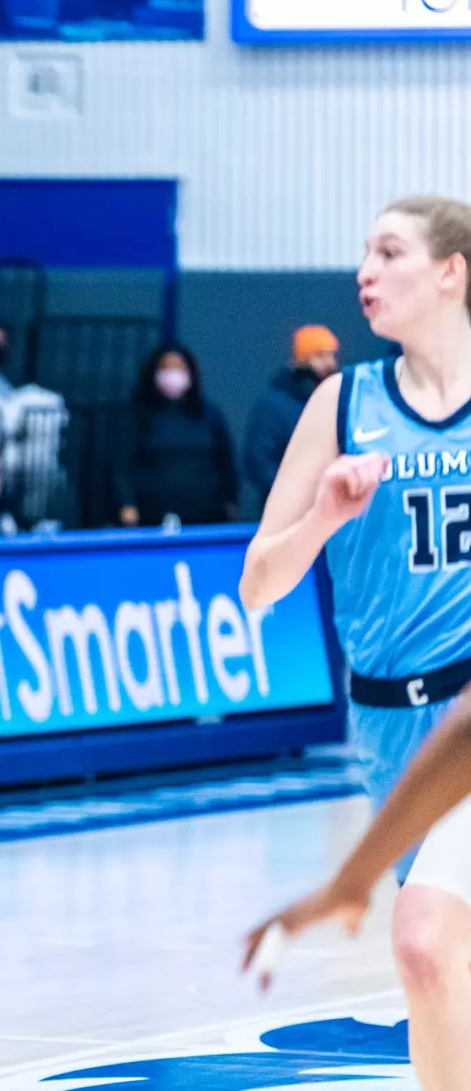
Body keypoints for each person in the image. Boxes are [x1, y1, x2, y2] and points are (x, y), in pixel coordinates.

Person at [236, 196, 471, 1091]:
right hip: (384, 726)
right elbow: (259, 585)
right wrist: (324, 519)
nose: (363, 272)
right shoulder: (345, 403)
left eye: (389, 251)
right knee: (439, 969)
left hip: (468, 712)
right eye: (362, 254)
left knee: (422, 941)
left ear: (452, 272)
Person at [116, 343, 239, 528]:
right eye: (166, 367)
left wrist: (230, 500)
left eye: (180, 368)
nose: (173, 374)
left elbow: (226, 462)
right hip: (151, 518)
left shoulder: (210, 416)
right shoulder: (136, 417)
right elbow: (122, 465)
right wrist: (127, 504)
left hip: (206, 517)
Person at [243, 324, 341, 504]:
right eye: (320, 355)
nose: (330, 363)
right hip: (289, 512)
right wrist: (295, 495)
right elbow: (260, 463)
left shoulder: (340, 400)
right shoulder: (273, 406)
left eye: (332, 355)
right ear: (300, 360)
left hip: (336, 509)